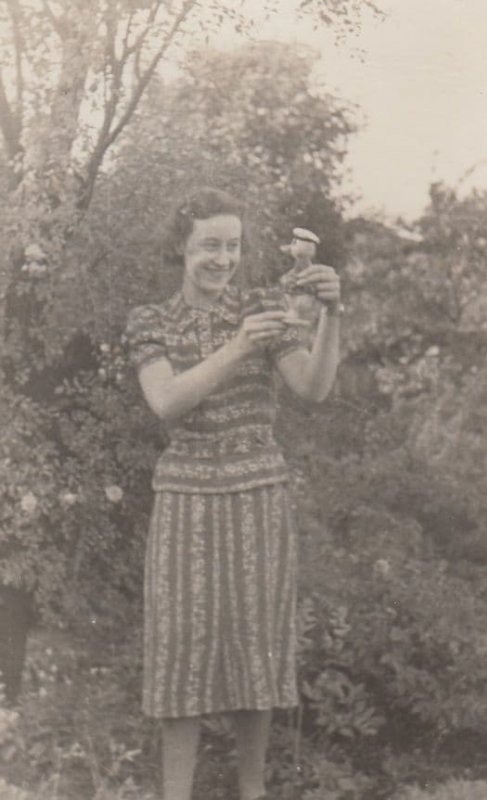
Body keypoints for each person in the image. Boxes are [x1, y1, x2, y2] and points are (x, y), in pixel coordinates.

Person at [125, 188, 341, 800]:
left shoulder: (267, 305)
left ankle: (253, 793)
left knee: (256, 648)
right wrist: (242, 344)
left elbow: (314, 387)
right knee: (181, 650)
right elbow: (166, 401)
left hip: (257, 497)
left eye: (233, 246)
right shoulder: (150, 321)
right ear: (181, 248)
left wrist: (332, 314)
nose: (223, 259)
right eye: (210, 246)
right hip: (186, 501)